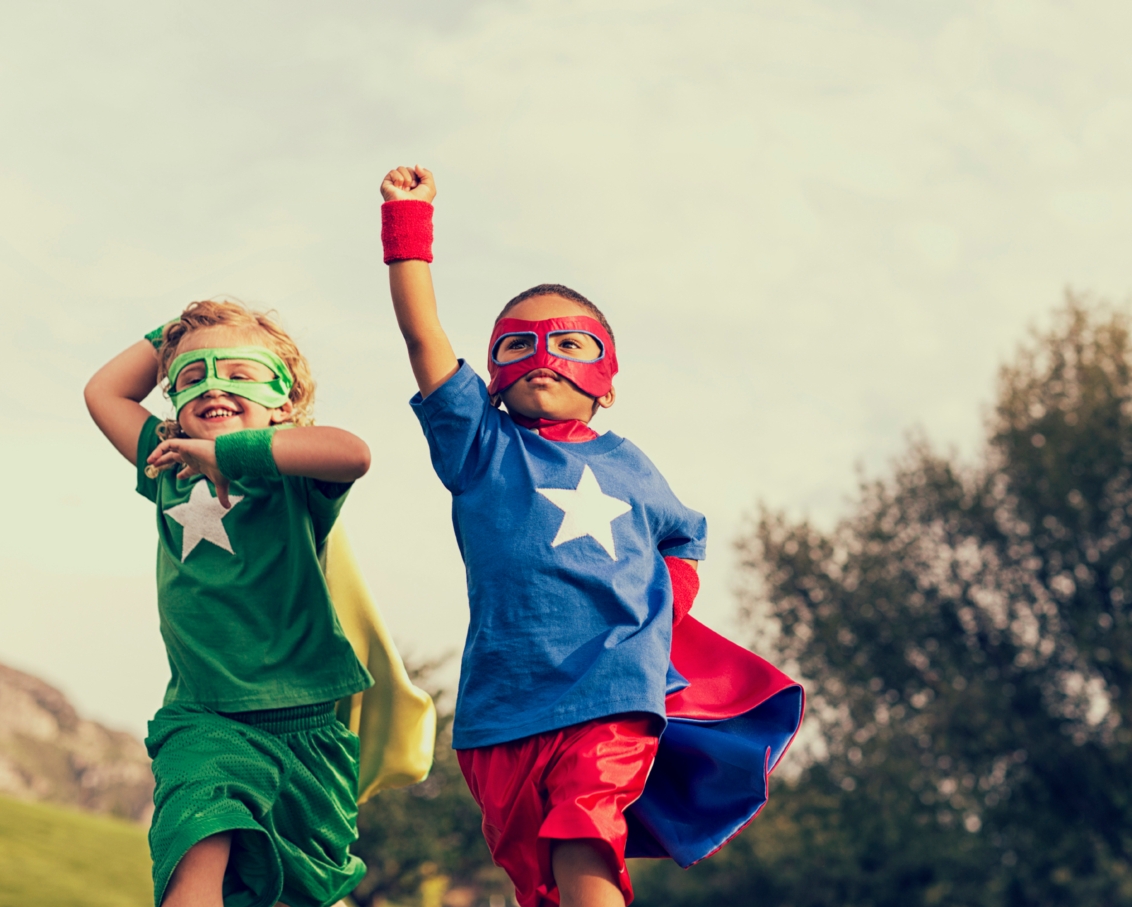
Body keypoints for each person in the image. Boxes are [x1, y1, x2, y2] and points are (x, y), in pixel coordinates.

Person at [378, 166, 804, 907]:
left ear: (605, 377)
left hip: (613, 687)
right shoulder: (480, 446)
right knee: (534, 876)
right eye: (518, 344)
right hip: (501, 706)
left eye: (568, 341)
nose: (542, 355)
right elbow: (422, 335)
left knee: (584, 831)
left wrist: (662, 611)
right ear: (493, 372)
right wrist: (408, 223)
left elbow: (684, 537)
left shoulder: (629, 463)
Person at [85, 299, 374, 907]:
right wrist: (173, 332)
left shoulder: (295, 472)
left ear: (284, 403)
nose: (213, 384)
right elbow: (104, 393)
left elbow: (354, 453)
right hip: (203, 718)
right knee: (195, 850)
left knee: (298, 893)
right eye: (190, 377)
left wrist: (226, 453)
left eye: (238, 373)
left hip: (306, 724)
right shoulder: (166, 467)